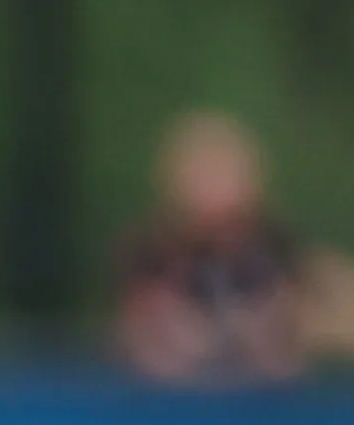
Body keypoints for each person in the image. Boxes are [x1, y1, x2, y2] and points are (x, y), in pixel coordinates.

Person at [113, 110, 354, 384]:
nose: (216, 190)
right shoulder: (153, 255)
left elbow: (305, 320)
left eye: (223, 174)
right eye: (205, 174)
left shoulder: (276, 249)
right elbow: (142, 339)